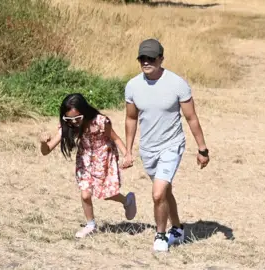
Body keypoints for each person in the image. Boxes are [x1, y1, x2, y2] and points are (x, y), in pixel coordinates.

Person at [122, 38, 210, 252]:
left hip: (172, 145)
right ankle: (178, 228)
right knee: (165, 191)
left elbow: (191, 118)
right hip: (147, 149)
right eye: (142, 58)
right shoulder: (133, 86)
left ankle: (161, 235)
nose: (146, 62)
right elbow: (131, 119)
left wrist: (202, 149)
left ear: (161, 58)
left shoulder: (177, 84)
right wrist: (128, 150)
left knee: (157, 193)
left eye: (151, 58)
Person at [39, 93, 137, 238]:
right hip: (85, 161)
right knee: (85, 194)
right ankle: (90, 225)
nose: (74, 122)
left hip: (104, 159)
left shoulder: (101, 121)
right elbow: (46, 151)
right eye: (69, 119)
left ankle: (127, 200)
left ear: (84, 112)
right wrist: (42, 142)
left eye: (77, 118)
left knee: (105, 194)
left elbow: (115, 138)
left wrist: (127, 155)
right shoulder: (67, 125)